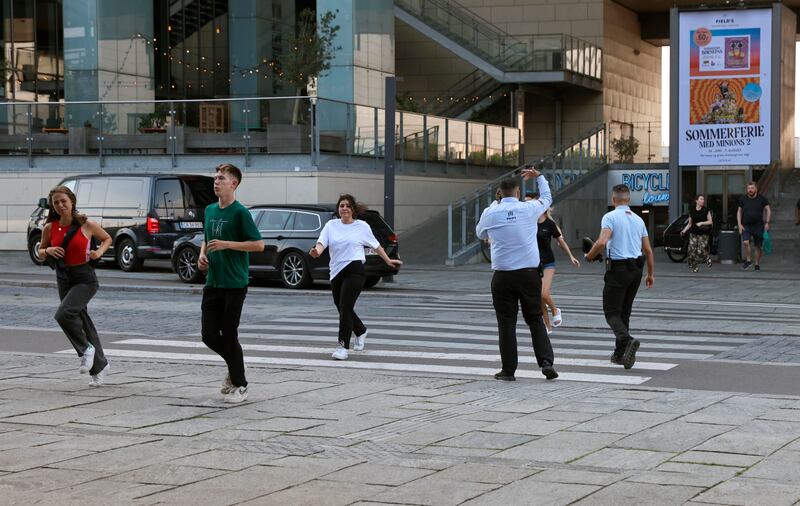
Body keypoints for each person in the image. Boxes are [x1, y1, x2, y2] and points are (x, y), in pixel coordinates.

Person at [476, 168, 558, 381]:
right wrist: (539, 177)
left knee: (506, 323)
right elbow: (547, 198)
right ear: (518, 193)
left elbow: (480, 233)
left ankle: (508, 370)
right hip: (528, 274)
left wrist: (496, 203)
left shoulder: (490, 212)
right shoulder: (529, 209)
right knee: (535, 319)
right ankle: (546, 362)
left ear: (500, 193)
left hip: (502, 276)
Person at [197, 163, 264, 403]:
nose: (216, 182)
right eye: (215, 178)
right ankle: (235, 369)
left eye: (221, 178)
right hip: (213, 281)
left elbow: (258, 245)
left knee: (229, 334)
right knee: (208, 335)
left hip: (235, 283)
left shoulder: (240, 213)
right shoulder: (210, 210)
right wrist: (201, 256)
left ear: (233, 184)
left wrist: (228, 244)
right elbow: (207, 239)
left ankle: (241, 384)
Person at [310, 195, 402, 361]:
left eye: (347, 206)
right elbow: (321, 243)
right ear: (338, 209)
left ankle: (343, 347)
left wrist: (387, 260)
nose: (344, 208)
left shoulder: (362, 226)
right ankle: (360, 330)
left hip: (355, 270)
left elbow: (375, 245)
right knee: (341, 307)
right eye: (341, 206)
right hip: (336, 271)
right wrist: (316, 251)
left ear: (353, 209)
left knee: (345, 307)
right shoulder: (331, 225)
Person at [38, 186, 113, 386]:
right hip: (63, 277)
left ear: (72, 201)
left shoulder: (86, 224)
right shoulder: (49, 227)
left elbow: (107, 239)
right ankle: (99, 367)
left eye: (63, 201)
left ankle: (86, 349)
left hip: (84, 278)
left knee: (63, 314)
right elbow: (40, 251)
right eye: (56, 202)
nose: (60, 205)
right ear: (52, 206)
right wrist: (49, 250)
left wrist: (98, 253)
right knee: (82, 320)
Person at [584, 184, 654, 370]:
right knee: (625, 312)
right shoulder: (639, 220)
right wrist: (651, 274)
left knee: (611, 312)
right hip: (636, 271)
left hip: (618, 270)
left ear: (613, 200)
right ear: (629, 200)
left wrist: (589, 256)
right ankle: (619, 354)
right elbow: (648, 250)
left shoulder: (610, 217)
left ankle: (627, 340)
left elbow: (602, 241)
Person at [524, 192, 580, 333]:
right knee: (539, 298)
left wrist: (571, 256)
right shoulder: (527, 222)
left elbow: (561, 241)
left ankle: (555, 309)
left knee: (543, 293)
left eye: (529, 202)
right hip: (533, 264)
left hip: (548, 262)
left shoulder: (549, 224)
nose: (526, 205)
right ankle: (547, 327)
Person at [737, 181, 771, 271]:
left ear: (756, 189)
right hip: (746, 225)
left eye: (752, 188)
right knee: (745, 242)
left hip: (759, 226)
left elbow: (768, 209)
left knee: (758, 246)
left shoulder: (762, 198)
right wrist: (739, 224)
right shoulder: (743, 199)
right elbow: (739, 211)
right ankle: (748, 260)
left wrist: (767, 222)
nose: (750, 190)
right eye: (748, 188)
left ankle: (757, 264)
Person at [680, 194, 714, 273]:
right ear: (697, 201)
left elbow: (710, 221)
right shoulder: (692, 211)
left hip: (704, 234)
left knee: (700, 251)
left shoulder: (706, 210)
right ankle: (695, 267)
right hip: (693, 234)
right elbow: (690, 224)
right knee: (691, 252)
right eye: (701, 199)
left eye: (703, 199)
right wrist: (684, 231)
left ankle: (707, 258)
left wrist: (702, 223)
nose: (703, 201)